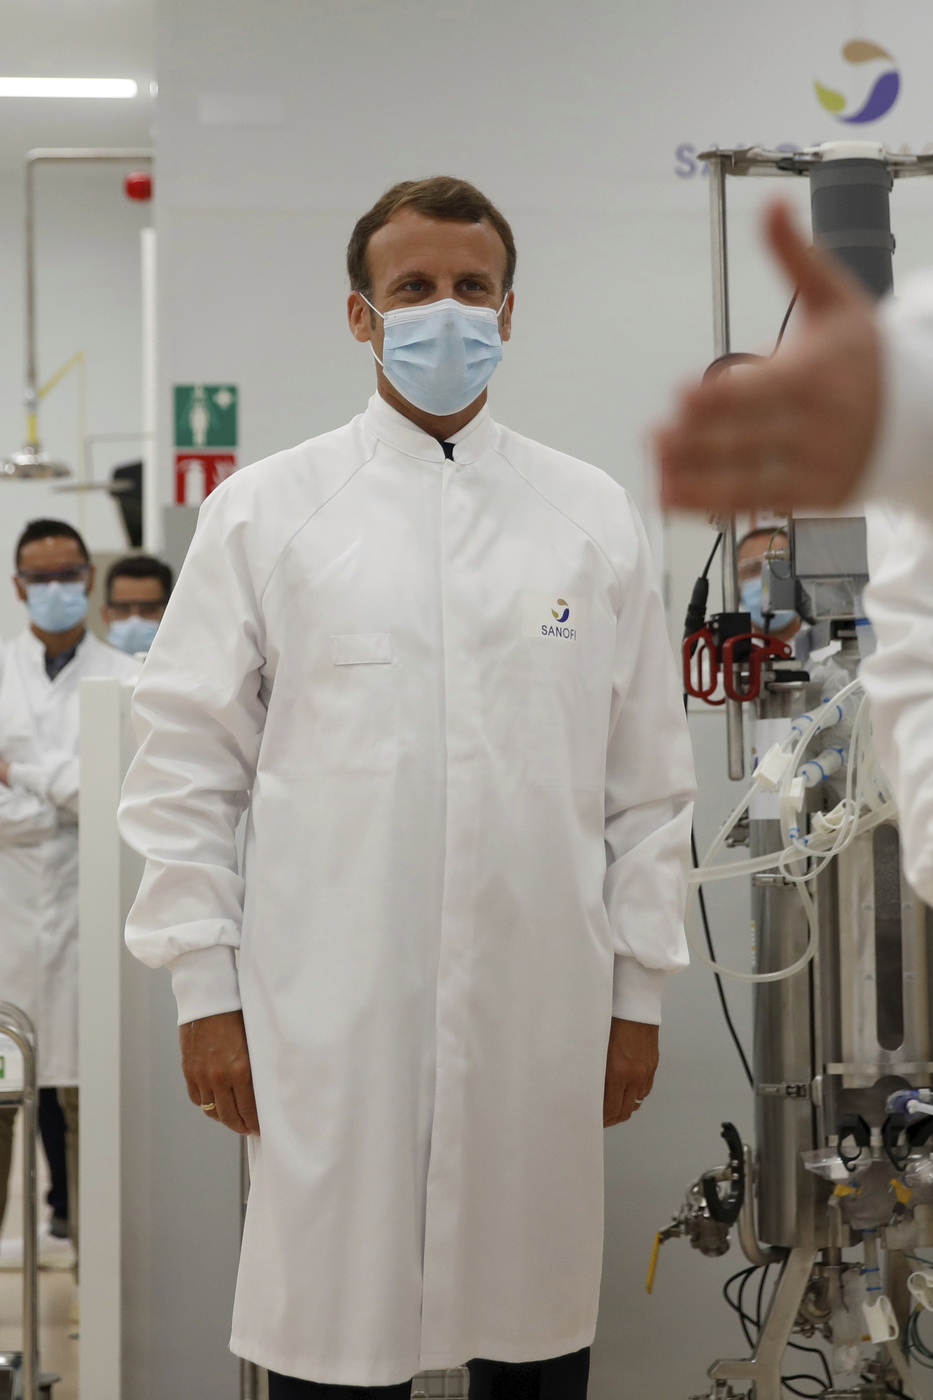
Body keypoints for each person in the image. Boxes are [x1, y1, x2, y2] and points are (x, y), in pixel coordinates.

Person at [118, 176, 696, 1399]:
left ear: (510, 308)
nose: (446, 311)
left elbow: (647, 782)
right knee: (336, 1342)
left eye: (471, 287)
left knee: (530, 1339)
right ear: (359, 314)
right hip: (330, 1017)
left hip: (537, 1013)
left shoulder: (586, 514)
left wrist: (637, 991)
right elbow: (182, 767)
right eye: (414, 288)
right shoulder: (265, 510)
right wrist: (202, 992)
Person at [0, 519, 140, 1253]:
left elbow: (116, 797)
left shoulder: (128, 678)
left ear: (88, 578)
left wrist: (21, 775)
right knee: (2, 1105)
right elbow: (75, 800)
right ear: (18, 586)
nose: (55, 590)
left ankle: (96, 1295)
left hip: (95, 931)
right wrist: (66, 799)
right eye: (40, 578)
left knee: (93, 1114)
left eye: (68, 575)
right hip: (12, 926)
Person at [736, 527, 800, 645]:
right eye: (753, 569)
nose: (766, 579)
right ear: (737, 583)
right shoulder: (724, 661)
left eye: (778, 567)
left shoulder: (835, 658)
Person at [101, 554, 173, 655]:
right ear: (105, 615)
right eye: (123, 609)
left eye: (148, 609)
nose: (135, 620)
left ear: (170, 613)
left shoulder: (190, 668)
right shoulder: (89, 669)